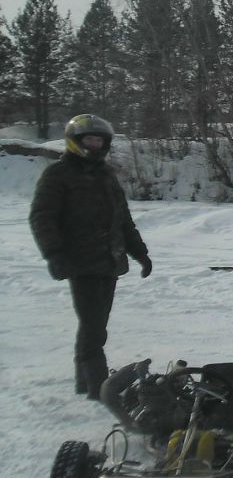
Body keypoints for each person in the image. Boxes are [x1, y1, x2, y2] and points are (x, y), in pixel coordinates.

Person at [29, 114, 152, 400]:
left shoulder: (106, 176)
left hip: (109, 261)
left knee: (96, 322)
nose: (95, 145)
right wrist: (54, 253)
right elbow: (41, 217)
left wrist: (140, 253)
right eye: (89, 140)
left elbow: (123, 220)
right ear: (75, 142)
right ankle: (98, 386)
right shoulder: (58, 175)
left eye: (99, 140)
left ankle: (84, 382)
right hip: (79, 260)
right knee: (93, 325)